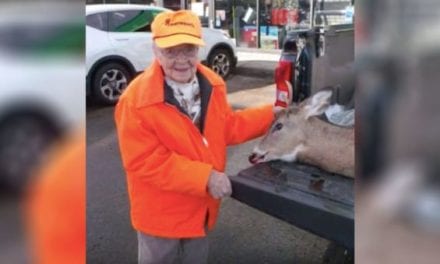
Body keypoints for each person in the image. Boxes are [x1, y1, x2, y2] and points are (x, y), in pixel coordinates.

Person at [114, 10, 275, 264]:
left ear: (199, 49)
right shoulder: (135, 101)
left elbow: (227, 127)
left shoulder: (212, 83)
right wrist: (206, 177)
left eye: (188, 50)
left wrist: (272, 116)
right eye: (171, 51)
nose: (181, 60)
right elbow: (144, 161)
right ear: (155, 51)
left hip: (201, 209)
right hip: (160, 217)